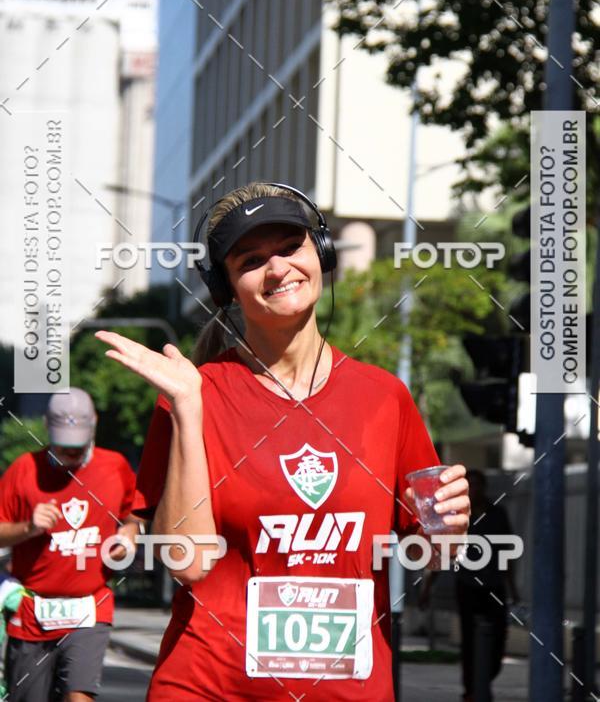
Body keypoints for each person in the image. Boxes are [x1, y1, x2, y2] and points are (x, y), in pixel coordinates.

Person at [96, 181, 471, 700]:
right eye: (251, 259)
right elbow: (188, 561)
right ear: (226, 288)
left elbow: (432, 554)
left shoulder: (385, 398)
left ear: (320, 252)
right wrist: (186, 407)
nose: (277, 269)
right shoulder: (191, 394)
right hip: (210, 687)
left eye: (290, 248)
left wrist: (449, 527)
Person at [0, 388, 140, 701]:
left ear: (94, 426)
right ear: (48, 429)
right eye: (65, 447)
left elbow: (134, 514)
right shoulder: (24, 470)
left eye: (78, 446)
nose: (72, 455)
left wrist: (130, 532)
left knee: (80, 696)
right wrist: (28, 527)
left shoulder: (115, 466)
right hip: (32, 610)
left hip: (90, 606)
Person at [419, 468, 520, 702]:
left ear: (484, 488)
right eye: (470, 485)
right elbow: (444, 553)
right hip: (467, 586)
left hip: (494, 586)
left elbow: (509, 552)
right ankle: (471, 691)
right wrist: (427, 587)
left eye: (478, 485)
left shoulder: (498, 514)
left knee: (497, 638)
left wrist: (513, 588)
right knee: (470, 641)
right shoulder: (457, 517)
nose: (474, 490)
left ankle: (485, 679)